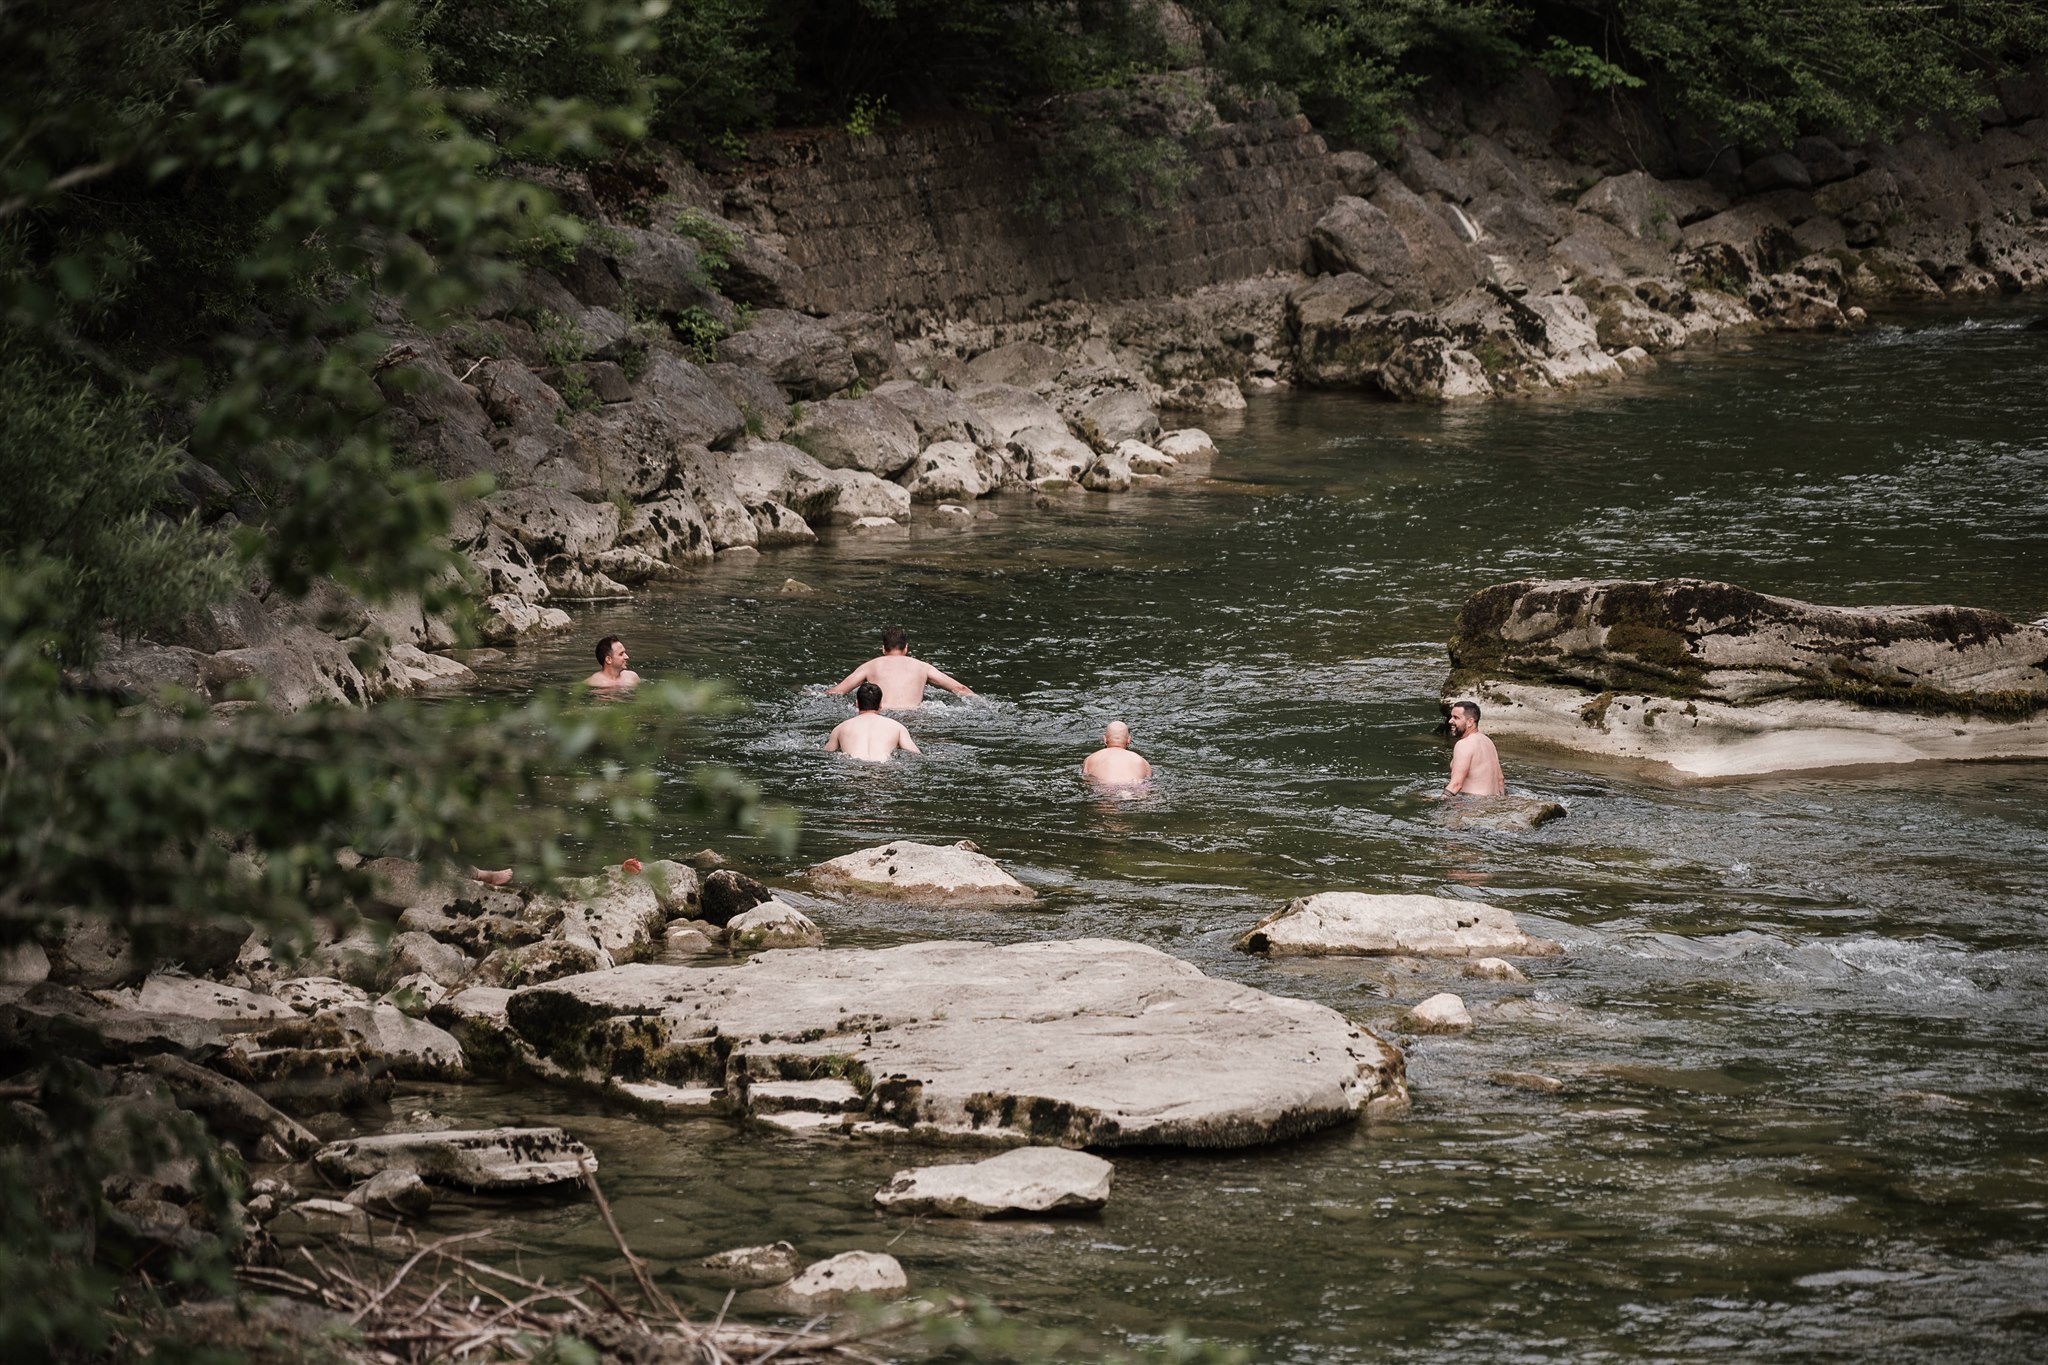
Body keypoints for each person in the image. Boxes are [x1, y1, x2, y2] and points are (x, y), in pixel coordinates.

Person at [826, 627, 973, 709]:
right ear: (906, 648)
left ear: (883, 649)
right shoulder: (923, 667)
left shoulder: (870, 666)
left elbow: (836, 692)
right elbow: (960, 689)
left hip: (883, 714)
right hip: (914, 716)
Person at [825, 682, 921, 763]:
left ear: (857, 703)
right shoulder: (897, 727)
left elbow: (826, 754)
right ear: (880, 704)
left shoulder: (840, 728)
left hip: (854, 768)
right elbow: (916, 755)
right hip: (882, 767)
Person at [1443, 700, 1505, 796]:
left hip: (1472, 802)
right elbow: (1500, 779)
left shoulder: (1464, 744)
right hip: (1493, 800)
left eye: (1456, 718)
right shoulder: (1488, 741)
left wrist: (1439, 802)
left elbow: (1456, 784)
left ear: (1470, 722)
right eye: (1451, 717)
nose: (1450, 721)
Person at [1082, 721, 1152, 786]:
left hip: (1106, 788)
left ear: (1105, 739)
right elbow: (1148, 783)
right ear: (1129, 740)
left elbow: (1086, 781)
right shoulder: (1142, 762)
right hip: (1134, 788)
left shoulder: (1090, 759)